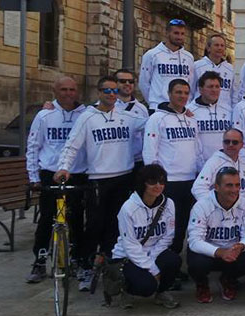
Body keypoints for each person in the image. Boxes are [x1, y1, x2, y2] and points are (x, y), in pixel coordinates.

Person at [55, 76, 146, 291]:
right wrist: (63, 167)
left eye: (115, 91)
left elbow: (152, 122)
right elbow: (71, 146)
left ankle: (107, 261)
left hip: (124, 176)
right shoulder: (87, 118)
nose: (112, 94)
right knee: (95, 224)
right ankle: (86, 264)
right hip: (98, 178)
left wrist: (182, 111)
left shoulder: (127, 116)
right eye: (107, 91)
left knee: (116, 224)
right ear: (99, 92)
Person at [25, 76, 89, 284]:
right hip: (50, 173)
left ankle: (77, 258)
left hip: (77, 172)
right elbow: (33, 147)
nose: (68, 93)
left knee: (77, 219)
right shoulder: (45, 115)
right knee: (46, 218)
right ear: (55, 91)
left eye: (72, 89)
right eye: (63, 89)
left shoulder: (86, 114)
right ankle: (40, 260)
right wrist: (33, 177)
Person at [144, 79, 202, 256]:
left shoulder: (191, 119)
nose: (182, 96)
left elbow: (197, 148)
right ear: (169, 94)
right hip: (168, 181)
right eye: (178, 92)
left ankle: (175, 259)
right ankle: (161, 261)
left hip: (189, 180)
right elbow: (149, 152)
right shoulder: (157, 118)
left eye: (186, 93)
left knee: (183, 223)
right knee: (165, 225)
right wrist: (154, 182)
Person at [110, 164, 180, 308]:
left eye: (161, 182)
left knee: (173, 261)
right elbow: (130, 245)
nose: (158, 186)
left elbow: (168, 237)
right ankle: (127, 291)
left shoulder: (169, 204)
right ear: (143, 183)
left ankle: (161, 293)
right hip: (128, 256)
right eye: (152, 182)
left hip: (154, 252)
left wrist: (152, 261)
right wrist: (152, 269)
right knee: (146, 287)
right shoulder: (128, 208)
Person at [187, 167, 245, 302]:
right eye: (229, 185)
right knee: (196, 262)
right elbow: (194, 241)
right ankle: (202, 284)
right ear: (217, 187)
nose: (235, 190)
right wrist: (219, 252)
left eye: (237, 185)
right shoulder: (201, 206)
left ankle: (228, 279)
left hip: (232, 252)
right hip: (209, 253)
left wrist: (241, 246)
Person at [192, 129, 245, 209]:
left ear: (242, 145)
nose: (230, 145)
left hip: (242, 211)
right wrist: (214, 206)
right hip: (220, 211)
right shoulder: (214, 162)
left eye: (235, 142)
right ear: (223, 143)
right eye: (227, 142)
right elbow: (198, 188)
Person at [139, 19, 194, 109]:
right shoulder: (152, 55)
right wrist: (153, 103)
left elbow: (191, 83)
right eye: (176, 33)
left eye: (182, 34)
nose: (179, 37)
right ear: (167, 33)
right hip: (158, 107)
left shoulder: (189, 57)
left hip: (182, 108)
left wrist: (187, 104)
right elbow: (143, 83)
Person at [187, 71, 233, 160]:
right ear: (200, 89)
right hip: (199, 165)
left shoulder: (228, 110)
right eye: (210, 86)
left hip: (224, 162)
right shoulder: (189, 111)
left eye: (217, 86)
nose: (214, 90)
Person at [191, 33, 233, 109]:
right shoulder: (197, 66)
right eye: (216, 45)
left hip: (224, 113)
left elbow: (234, 94)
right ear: (208, 48)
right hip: (201, 110)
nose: (220, 48)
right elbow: (190, 91)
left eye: (222, 45)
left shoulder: (230, 69)